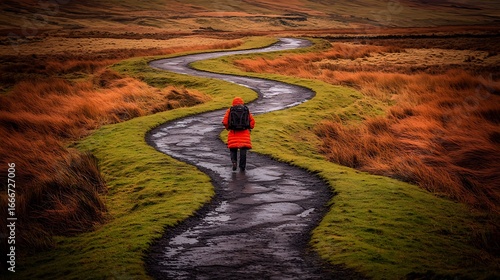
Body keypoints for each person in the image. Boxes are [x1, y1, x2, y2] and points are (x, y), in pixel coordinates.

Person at [222, 97, 255, 171]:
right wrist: (250, 127)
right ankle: (242, 167)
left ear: (233, 103)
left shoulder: (230, 110)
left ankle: (234, 162)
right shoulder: (246, 110)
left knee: (233, 148)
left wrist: (228, 128)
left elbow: (225, 121)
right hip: (244, 133)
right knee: (243, 150)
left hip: (233, 132)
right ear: (242, 102)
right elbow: (252, 121)